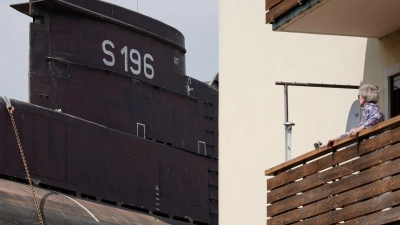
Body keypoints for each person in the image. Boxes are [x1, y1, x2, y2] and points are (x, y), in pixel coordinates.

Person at [327, 83, 384, 148]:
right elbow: (354, 131)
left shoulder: (369, 107)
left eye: (358, 96)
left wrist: (359, 128)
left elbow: (377, 117)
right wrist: (336, 139)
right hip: (374, 147)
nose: (358, 99)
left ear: (363, 98)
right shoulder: (370, 110)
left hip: (374, 147)